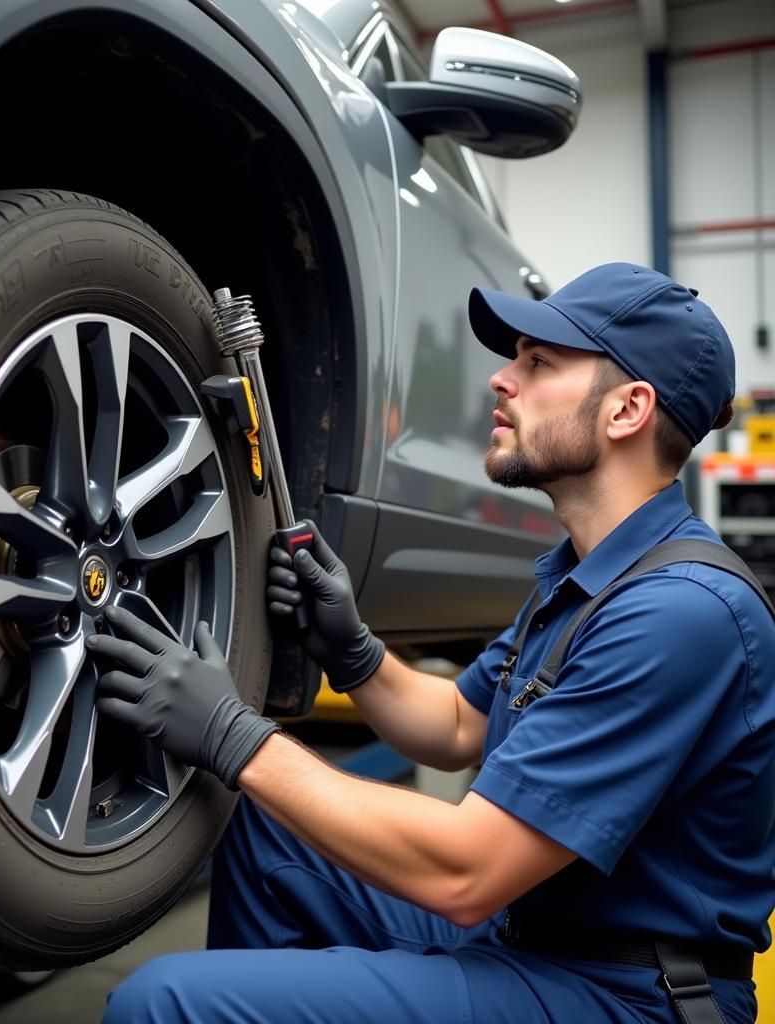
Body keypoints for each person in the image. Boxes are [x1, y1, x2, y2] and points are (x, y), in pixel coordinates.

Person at [91, 263, 775, 1024]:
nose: (501, 380)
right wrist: (351, 651)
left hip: (628, 994)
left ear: (627, 411)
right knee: (267, 825)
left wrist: (234, 736)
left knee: (163, 1003)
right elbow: (456, 725)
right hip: (530, 938)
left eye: (538, 362)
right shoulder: (587, 576)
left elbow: (467, 869)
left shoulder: (678, 614)